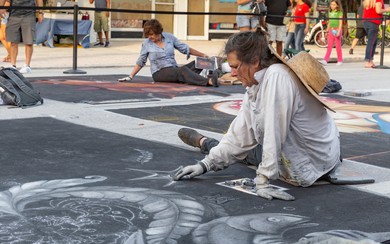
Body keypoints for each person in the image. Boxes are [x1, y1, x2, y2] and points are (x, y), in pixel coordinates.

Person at [173, 28, 341, 201]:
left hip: (311, 162)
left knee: (248, 153)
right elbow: (240, 134)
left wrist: (263, 180)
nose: (232, 74)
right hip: (297, 153)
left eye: (235, 67)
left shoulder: (277, 76)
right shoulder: (255, 84)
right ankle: (206, 144)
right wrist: (204, 165)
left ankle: (205, 143)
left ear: (254, 61)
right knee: (243, 148)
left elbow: (274, 131)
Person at [118, 19, 219, 87]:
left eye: (152, 34)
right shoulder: (146, 44)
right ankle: (208, 81)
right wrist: (130, 76)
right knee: (183, 70)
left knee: (199, 62)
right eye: (148, 35)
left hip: (174, 70)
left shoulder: (169, 37)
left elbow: (185, 49)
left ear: (159, 32)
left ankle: (210, 75)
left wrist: (203, 55)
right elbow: (141, 61)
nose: (150, 37)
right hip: (160, 73)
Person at [0, 0, 44, 74]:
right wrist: (1, 7)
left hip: (29, 14)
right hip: (13, 14)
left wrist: (40, 12)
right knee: (13, 41)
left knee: (29, 41)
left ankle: (27, 65)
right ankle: (13, 65)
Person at [362, 0, 390, 68]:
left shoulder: (368, 1)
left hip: (366, 21)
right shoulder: (378, 0)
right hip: (373, 22)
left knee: (373, 41)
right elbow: (378, 10)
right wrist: (387, 9)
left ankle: (370, 60)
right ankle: (368, 60)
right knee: (371, 42)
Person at [320, 0, 343, 65]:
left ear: (337, 5)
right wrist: (327, 30)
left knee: (338, 46)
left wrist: (339, 31)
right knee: (329, 45)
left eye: (334, 5)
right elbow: (330, 22)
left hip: (337, 29)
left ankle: (340, 60)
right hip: (331, 30)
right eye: (331, 4)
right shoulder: (330, 12)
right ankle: (325, 60)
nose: (332, 6)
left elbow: (340, 22)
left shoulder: (339, 12)